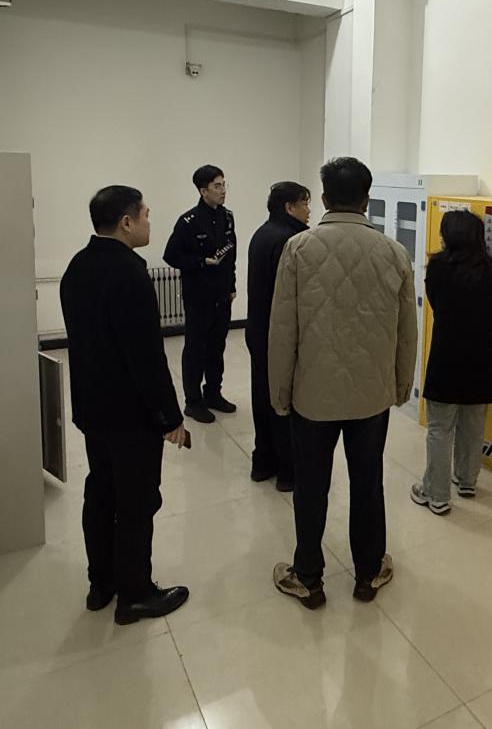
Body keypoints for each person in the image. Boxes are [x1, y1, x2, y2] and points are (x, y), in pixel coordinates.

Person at [268, 157, 418, 609]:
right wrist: (400, 385)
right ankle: (368, 574)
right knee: (367, 483)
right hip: (371, 396)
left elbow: (283, 330)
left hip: (312, 396)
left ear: (324, 197)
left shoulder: (298, 249)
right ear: (367, 199)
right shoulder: (394, 252)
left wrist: (280, 392)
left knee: (311, 486)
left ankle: (308, 577)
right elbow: (406, 331)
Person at [59, 185, 190, 625]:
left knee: (101, 492)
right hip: (130, 416)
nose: (150, 222)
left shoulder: (77, 267)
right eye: (146, 214)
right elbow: (146, 357)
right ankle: (135, 594)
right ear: (127, 222)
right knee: (136, 501)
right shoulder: (129, 274)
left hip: (93, 409)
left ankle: (102, 583)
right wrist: (169, 417)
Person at [410, 210, 492, 515]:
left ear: (449, 236)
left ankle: (436, 494)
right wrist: (484, 335)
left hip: (446, 357)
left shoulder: (438, 267)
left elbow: (435, 303)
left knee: (440, 428)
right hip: (481, 358)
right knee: (473, 425)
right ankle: (467, 481)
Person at [245, 181, 312, 493]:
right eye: (304, 203)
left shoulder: (263, 233)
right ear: (289, 207)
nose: (309, 210)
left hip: (258, 329)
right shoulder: (291, 241)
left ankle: (263, 462)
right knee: (284, 402)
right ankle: (288, 471)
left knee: (262, 396)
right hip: (280, 334)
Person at [163, 165, 238, 424]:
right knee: (196, 348)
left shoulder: (227, 217)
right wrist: (200, 262)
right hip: (199, 295)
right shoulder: (188, 221)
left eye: (224, 184)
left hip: (222, 294)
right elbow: (171, 255)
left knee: (217, 346)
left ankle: (213, 393)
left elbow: (231, 254)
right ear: (203, 191)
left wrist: (231, 286)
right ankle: (193, 402)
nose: (223, 190)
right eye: (217, 186)